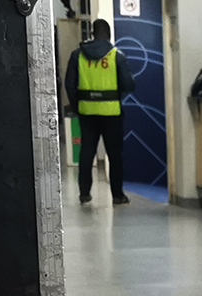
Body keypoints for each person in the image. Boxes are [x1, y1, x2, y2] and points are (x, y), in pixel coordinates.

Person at [64, 19, 134, 205]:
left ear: (92, 34)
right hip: (111, 112)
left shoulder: (77, 55)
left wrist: (77, 106)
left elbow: (69, 84)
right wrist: (116, 94)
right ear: (109, 35)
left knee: (87, 152)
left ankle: (84, 193)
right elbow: (129, 84)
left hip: (87, 112)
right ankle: (117, 195)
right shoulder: (117, 56)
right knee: (114, 154)